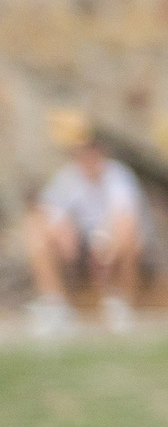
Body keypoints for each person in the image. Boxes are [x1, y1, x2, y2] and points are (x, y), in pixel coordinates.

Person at [22, 111, 146, 337]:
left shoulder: (119, 176)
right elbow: (47, 211)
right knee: (36, 231)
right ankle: (55, 306)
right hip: (82, 245)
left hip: (111, 243)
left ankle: (120, 303)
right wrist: (61, 229)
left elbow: (124, 219)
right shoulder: (68, 178)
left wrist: (104, 242)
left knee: (126, 236)